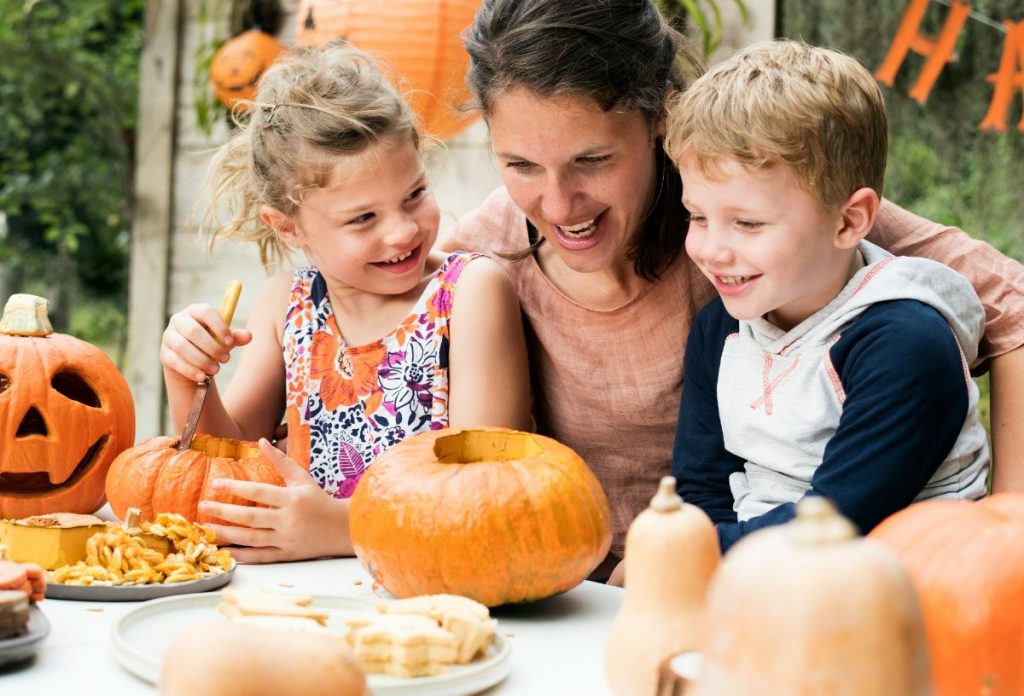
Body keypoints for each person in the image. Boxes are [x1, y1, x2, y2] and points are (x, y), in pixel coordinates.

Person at [444, 0, 1024, 582]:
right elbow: (703, 482)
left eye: (593, 160)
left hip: (863, 586)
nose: (559, 203)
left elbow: (1013, 303)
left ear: (659, 119)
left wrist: (1008, 532)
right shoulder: (720, 319)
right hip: (648, 583)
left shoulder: (772, 192)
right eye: (519, 164)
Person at [159, 43, 531, 562]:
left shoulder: (469, 293)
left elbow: (485, 489)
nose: (403, 231)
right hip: (308, 591)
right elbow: (230, 462)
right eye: (363, 219)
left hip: (438, 584)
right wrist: (188, 376)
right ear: (287, 227)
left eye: (414, 195)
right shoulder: (287, 307)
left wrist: (342, 527)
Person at [666, 39, 989, 551]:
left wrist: (686, 558)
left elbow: (838, 523)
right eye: (698, 216)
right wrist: (683, 556)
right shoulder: (721, 330)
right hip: (759, 568)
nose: (710, 249)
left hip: (897, 582)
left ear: (849, 220)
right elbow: (701, 488)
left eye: (747, 223)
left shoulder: (906, 345)